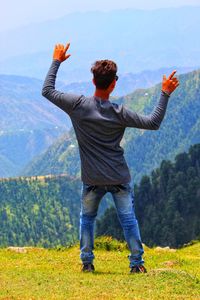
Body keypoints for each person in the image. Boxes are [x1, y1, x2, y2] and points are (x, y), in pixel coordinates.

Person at [42, 43, 179, 274]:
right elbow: (153, 122)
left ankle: (87, 262)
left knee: (87, 219)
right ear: (114, 82)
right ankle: (137, 264)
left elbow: (47, 90)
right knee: (128, 221)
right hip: (118, 177)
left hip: (92, 178)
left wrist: (56, 60)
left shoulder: (77, 105)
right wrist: (165, 93)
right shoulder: (120, 113)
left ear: (93, 81)